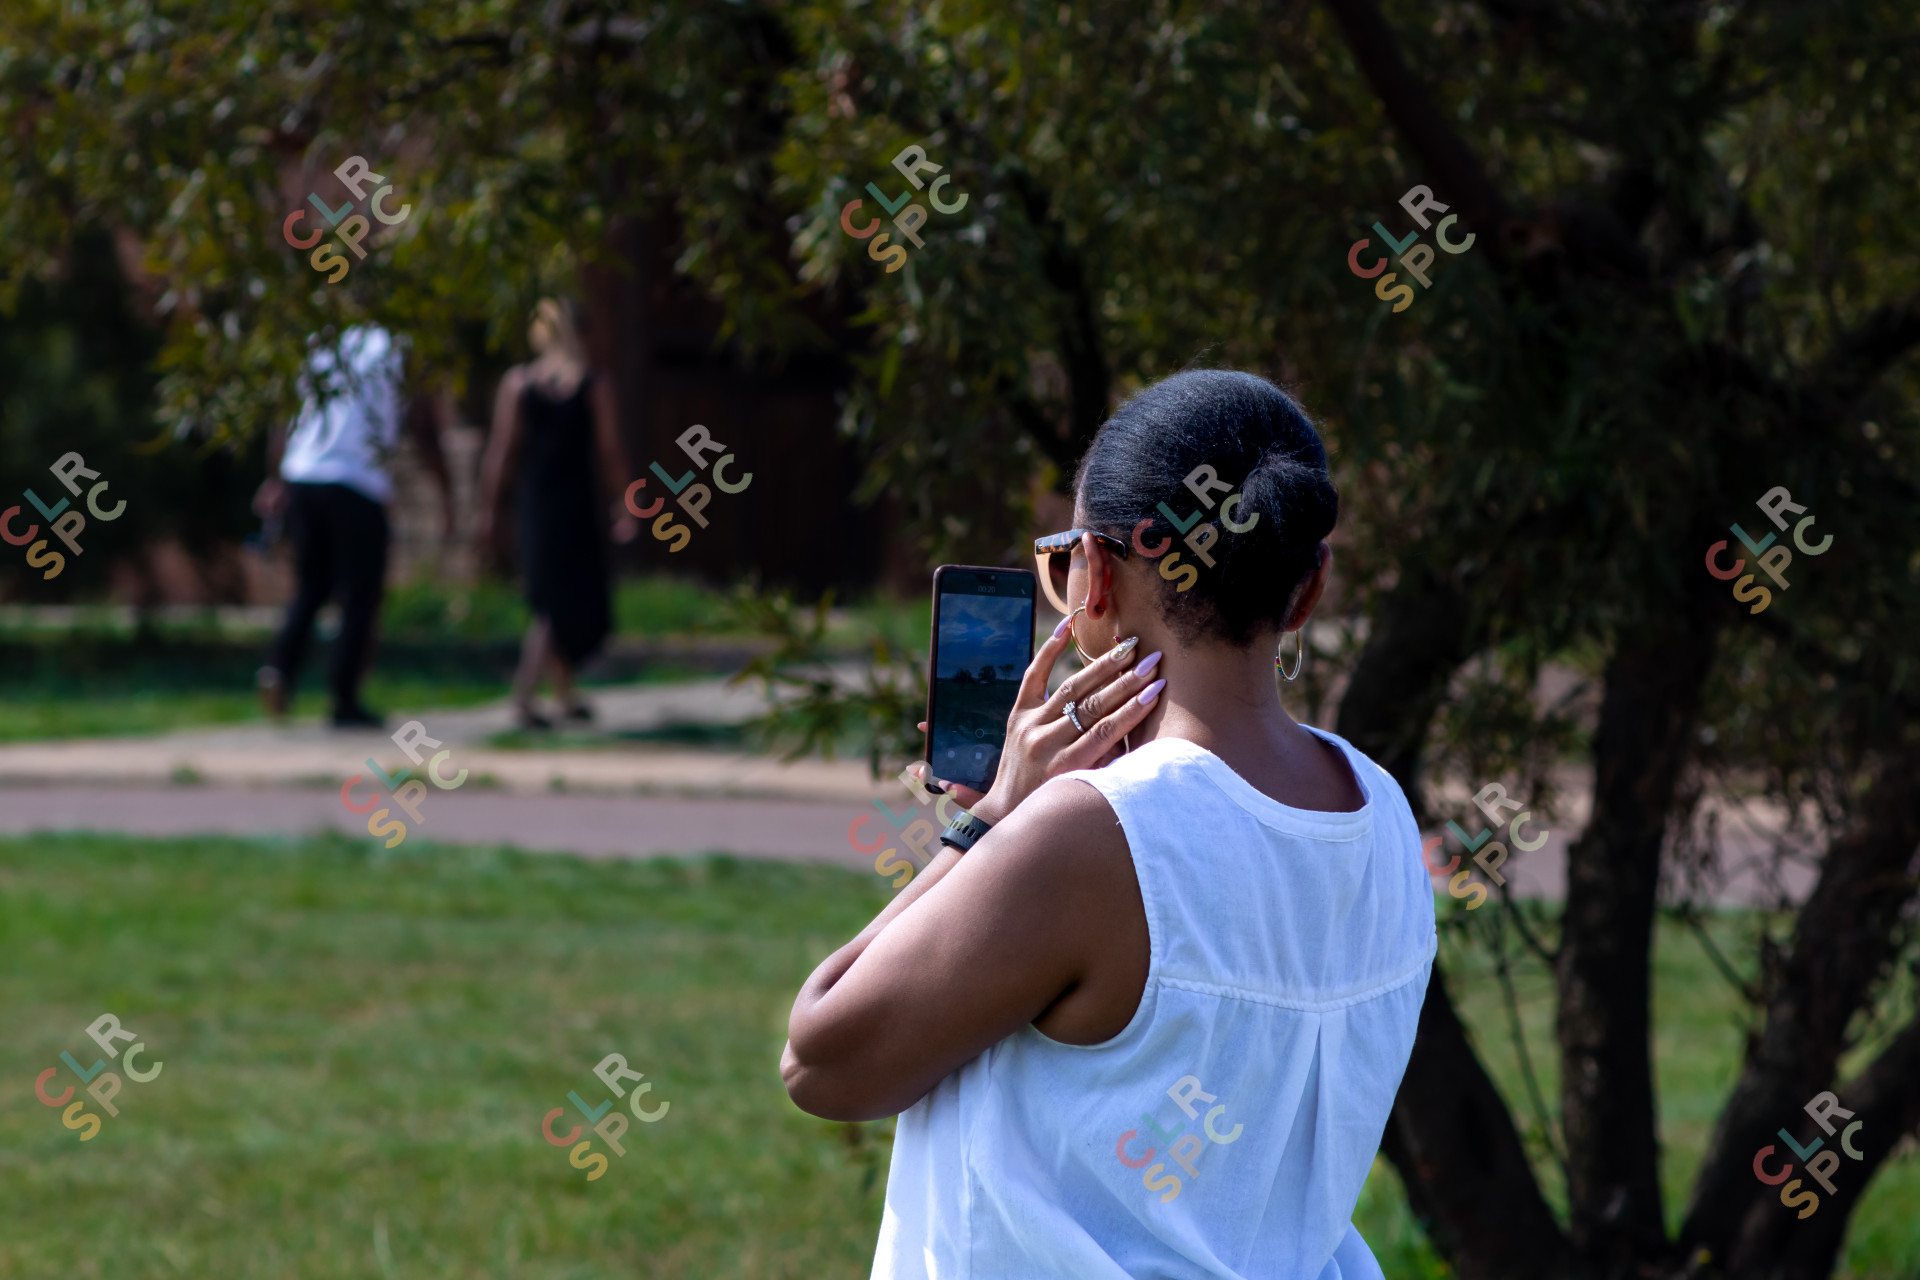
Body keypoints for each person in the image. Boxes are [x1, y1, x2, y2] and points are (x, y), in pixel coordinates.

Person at [780, 369, 1436, 1280]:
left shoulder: (1084, 835)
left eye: (1062, 563)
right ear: (1306, 587)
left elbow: (822, 1061)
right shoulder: (1382, 814)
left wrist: (989, 829)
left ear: (1094, 575)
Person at [254, 324, 452, 728]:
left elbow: (285, 417)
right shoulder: (398, 344)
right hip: (358, 482)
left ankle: (279, 669)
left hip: (303, 474)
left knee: (311, 585)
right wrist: (444, 491)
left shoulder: (318, 339)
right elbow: (424, 428)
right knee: (360, 596)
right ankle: (344, 699)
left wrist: (276, 477)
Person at [475, 298, 637, 730]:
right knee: (553, 601)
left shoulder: (519, 383)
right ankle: (524, 696)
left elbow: (501, 454)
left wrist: (490, 510)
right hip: (574, 501)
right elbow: (611, 451)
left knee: (554, 596)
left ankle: (564, 697)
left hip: (538, 501)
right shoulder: (594, 384)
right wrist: (624, 502)